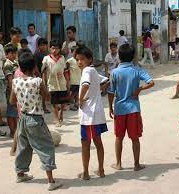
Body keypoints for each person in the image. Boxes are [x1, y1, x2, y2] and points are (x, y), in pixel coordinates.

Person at [11, 52, 62, 191]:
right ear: (34, 67)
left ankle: (20, 173)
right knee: (46, 147)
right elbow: (47, 98)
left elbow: (11, 101)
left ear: (20, 68)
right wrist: (40, 81)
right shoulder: (37, 81)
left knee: (24, 147)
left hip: (23, 118)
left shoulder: (15, 81)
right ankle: (51, 181)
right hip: (35, 119)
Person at [108, 44, 154, 171]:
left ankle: (118, 163)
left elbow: (111, 92)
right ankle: (136, 164)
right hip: (134, 108)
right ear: (133, 56)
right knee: (135, 138)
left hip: (119, 108)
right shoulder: (137, 70)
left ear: (119, 56)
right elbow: (151, 82)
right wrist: (139, 89)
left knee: (119, 137)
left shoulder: (114, 72)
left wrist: (110, 108)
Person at [75, 46, 109, 180]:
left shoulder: (87, 71)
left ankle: (86, 173)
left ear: (89, 60)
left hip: (89, 116)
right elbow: (106, 80)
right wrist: (97, 91)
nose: (79, 62)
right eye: (77, 59)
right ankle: (100, 170)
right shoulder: (93, 70)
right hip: (97, 115)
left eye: (82, 59)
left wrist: (80, 99)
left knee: (85, 144)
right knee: (98, 142)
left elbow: (85, 85)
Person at [42, 40, 68, 127]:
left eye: (57, 48)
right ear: (50, 49)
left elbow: (65, 70)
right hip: (51, 82)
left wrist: (68, 82)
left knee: (63, 100)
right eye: (53, 48)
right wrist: (44, 82)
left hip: (62, 81)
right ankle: (56, 119)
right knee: (54, 102)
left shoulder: (62, 58)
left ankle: (61, 114)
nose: (54, 50)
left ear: (60, 49)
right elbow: (43, 71)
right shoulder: (46, 58)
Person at [3, 44, 19, 155]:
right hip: (11, 91)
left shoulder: (15, 63)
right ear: (7, 54)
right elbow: (10, 80)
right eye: (11, 53)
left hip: (16, 90)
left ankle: (14, 131)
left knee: (15, 113)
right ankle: (12, 131)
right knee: (11, 112)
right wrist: (12, 92)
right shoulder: (8, 64)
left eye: (14, 53)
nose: (13, 55)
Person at [34, 38, 50, 113]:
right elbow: (35, 66)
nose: (43, 47)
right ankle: (43, 107)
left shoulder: (48, 53)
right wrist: (39, 75)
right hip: (39, 75)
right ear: (38, 46)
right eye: (41, 45)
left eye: (44, 45)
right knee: (41, 91)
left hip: (47, 75)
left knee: (44, 91)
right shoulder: (37, 54)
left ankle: (43, 106)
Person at [66, 47, 81, 111]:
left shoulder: (79, 59)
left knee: (77, 92)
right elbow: (66, 68)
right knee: (74, 92)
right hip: (73, 80)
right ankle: (69, 102)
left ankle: (76, 104)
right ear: (72, 53)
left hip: (79, 79)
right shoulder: (70, 60)